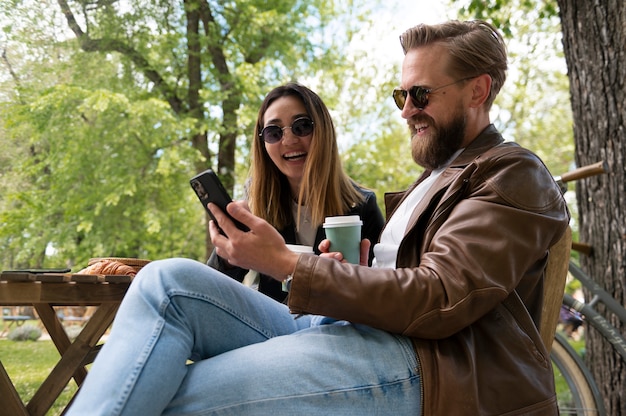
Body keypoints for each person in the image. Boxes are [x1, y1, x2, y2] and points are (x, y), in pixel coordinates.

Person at [67, 20, 569, 415]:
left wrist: (289, 263)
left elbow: (440, 298)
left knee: (168, 393)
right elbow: (415, 282)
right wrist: (356, 270)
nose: (406, 110)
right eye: (402, 96)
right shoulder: (436, 176)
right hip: (351, 329)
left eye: (421, 95)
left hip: (429, 367)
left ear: (478, 91)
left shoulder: (510, 173)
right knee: (166, 281)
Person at [207, 83, 384, 302]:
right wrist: (229, 254)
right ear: (263, 143)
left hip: (331, 327)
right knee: (167, 276)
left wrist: (351, 277)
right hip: (270, 323)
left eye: (301, 127)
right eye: (274, 132)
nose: (289, 140)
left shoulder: (362, 206)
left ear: (323, 131)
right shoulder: (255, 206)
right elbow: (212, 289)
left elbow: (383, 293)